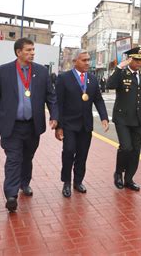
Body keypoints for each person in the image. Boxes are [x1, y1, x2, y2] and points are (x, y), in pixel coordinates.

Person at [0, 38, 58, 212]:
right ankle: (11, 195)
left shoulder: (41, 72)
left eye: (33, 50)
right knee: (14, 159)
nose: (32, 53)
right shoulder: (4, 71)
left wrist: (54, 115)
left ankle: (25, 183)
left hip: (33, 126)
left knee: (27, 157)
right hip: (12, 126)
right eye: (28, 50)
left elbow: (51, 96)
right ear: (18, 52)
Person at [55, 49, 109, 197]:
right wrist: (58, 126)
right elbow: (58, 103)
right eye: (84, 60)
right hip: (69, 124)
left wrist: (104, 117)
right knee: (68, 151)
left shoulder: (92, 79)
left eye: (88, 60)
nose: (87, 63)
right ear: (75, 62)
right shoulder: (64, 78)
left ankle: (78, 181)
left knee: (82, 154)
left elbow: (98, 99)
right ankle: (66, 181)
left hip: (86, 124)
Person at [107, 47, 141, 191]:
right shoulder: (122, 74)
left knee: (135, 150)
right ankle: (118, 173)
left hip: (137, 119)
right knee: (126, 147)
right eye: (135, 59)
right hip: (122, 118)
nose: (138, 62)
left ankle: (129, 179)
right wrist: (119, 67)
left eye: (140, 60)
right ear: (129, 60)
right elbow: (109, 85)